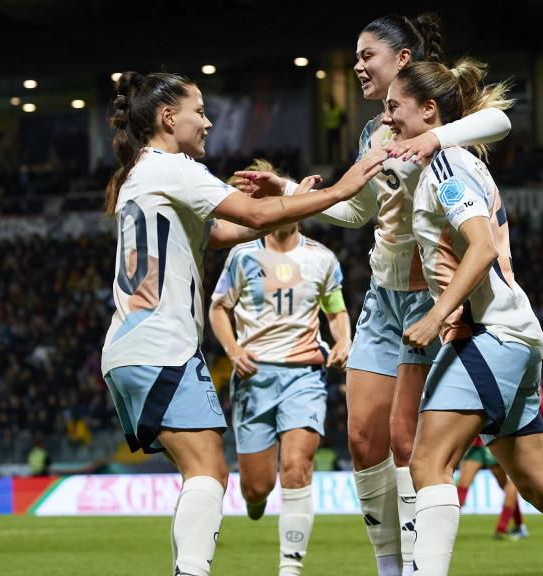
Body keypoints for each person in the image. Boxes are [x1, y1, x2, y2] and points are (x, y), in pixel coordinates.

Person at [234, 15, 511, 576]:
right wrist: (286, 188)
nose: (358, 65)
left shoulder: (436, 113)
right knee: (363, 439)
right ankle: (389, 565)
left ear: (402, 59)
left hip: (429, 298)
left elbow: (501, 120)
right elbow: (357, 211)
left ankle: (416, 566)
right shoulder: (372, 135)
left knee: (407, 443)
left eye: (367, 55)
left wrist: (435, 136)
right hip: (383, 298)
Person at [100, 71, 386, 576]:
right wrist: (341, 190)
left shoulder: (142, 173)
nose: (208, 122)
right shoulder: (174, 168)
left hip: (136, 347)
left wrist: (290, 204)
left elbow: (224, 232)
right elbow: (253, 218)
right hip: (160, 346)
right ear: (168, 118)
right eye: (199, 111)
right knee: (208, 472)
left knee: (204, 472)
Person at [385, 59, 543, 575]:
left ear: (428, 110)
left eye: (394, 107)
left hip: (487, 334)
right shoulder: (453, 163)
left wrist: (436, 315)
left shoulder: (447, 166)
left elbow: (478, 248)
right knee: (541, 485)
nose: (387, 118)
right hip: (512, 338)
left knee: (428, 463)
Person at [209, 160, 352, 576]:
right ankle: (255, 501)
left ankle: (290, 566)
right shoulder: (241, 256)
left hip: (304, 375)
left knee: (297, 467)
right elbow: (218, 308)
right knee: (257, 487)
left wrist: (343, 340)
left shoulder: (321, 259)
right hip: (253, 377)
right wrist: (233, 350)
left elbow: (335, 310)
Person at [455, 383, 543, 541]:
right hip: (481, 440)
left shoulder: (524, 373)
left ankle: (510, 527)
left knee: (522, 484)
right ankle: (515, 525)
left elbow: (541, 404)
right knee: (469, 485)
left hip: (508, 436)